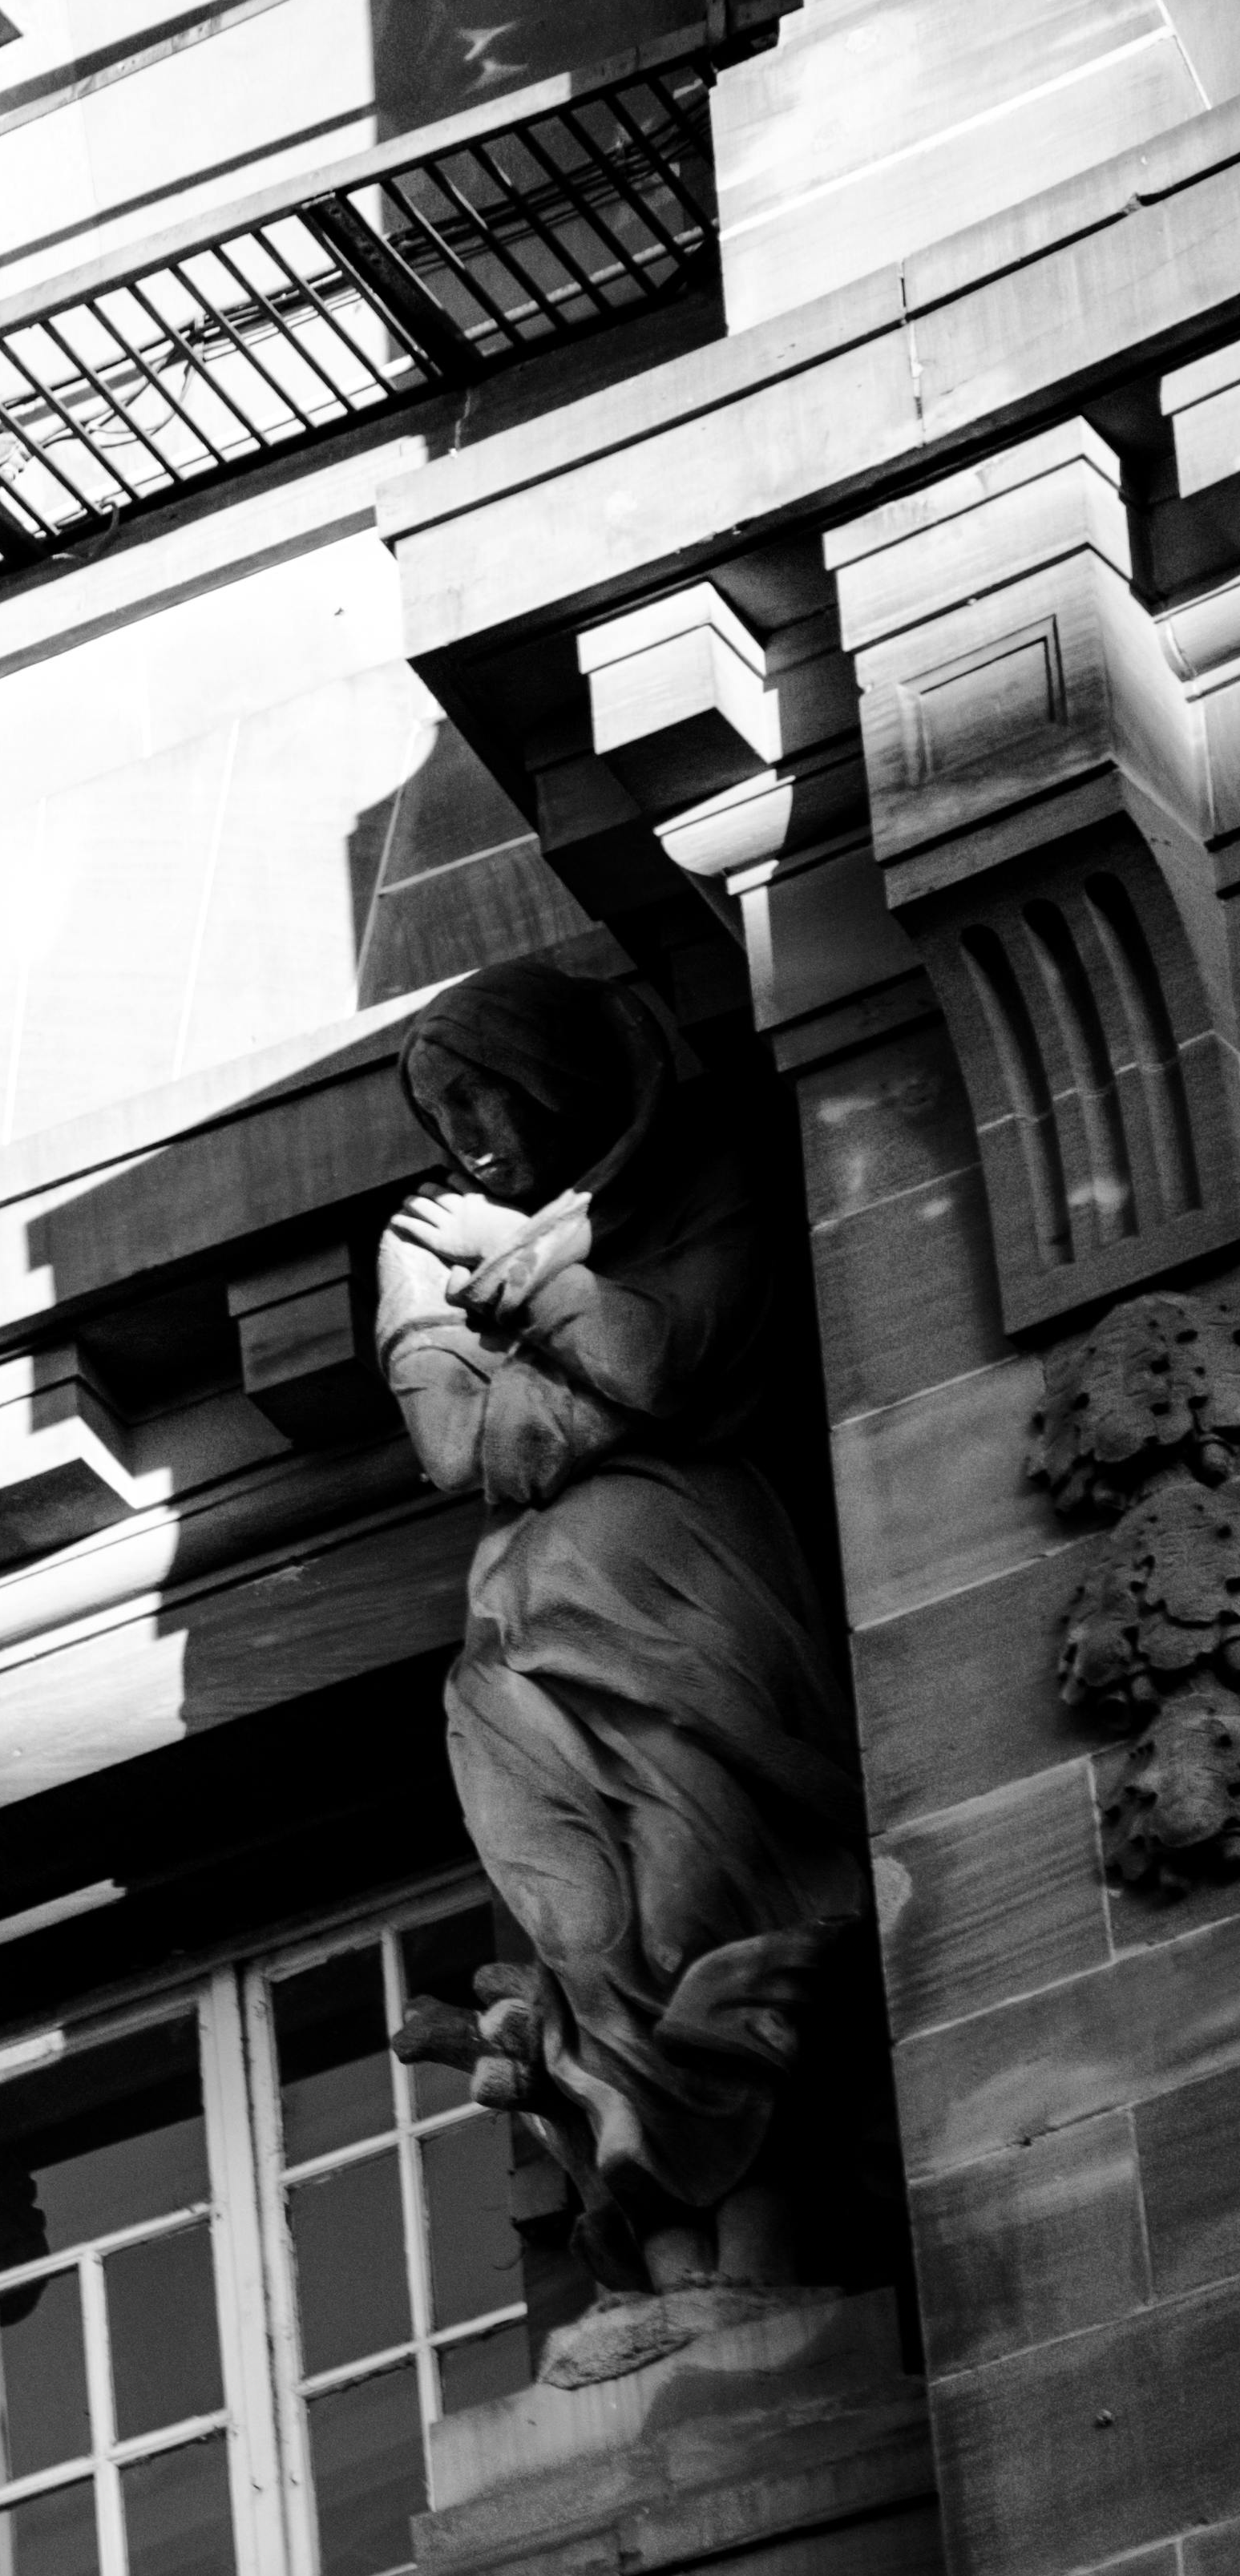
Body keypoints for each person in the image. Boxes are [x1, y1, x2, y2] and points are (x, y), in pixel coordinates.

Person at [375, 961, 862, 2358]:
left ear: (559, 1069)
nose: (469, 1130)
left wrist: (534, 1279)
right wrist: (534, 1324)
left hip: (688, 1583)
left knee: (707, 1899)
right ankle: (669, 2261)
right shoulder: (427, 1237)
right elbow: (463, 1449)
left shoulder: (689, 1178)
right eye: (444, 1106)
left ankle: (766, 2250)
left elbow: (670, 1357)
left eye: (491, 1090)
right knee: (582, 1939)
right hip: (524, 1624)